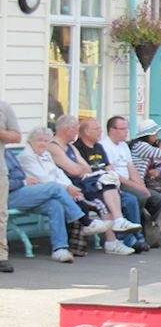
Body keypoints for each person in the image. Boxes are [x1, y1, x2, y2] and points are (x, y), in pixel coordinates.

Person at [18, 127, 116, 256]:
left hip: (49, 193)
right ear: (30, 142)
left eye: (46, 141)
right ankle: (86, 221)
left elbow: (57, 172)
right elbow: (44, 178)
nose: (43, 143)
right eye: (39, 140)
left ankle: (60, 248)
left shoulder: (45, 154)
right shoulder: (26, 155)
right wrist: (67, 188)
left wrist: (69, 186)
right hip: (29, 193)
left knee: (55, 205)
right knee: (56, 187)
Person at [74, 117, 148, 254]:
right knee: (107, 201)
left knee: (130, 199)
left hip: (106, 187)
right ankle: (120, 239)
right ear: (85, 132)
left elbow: (109, 169)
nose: (100, 131)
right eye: (96, 129)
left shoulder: (98, 147)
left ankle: (132, 237)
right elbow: (83, 173)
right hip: (89, 189)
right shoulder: (77, 148)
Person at [129, 119, 161, 236]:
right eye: (154, 133)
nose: (156, 136)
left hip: (141, 181)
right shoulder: (141, 146)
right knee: (158, 199)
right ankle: (147, 225)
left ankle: (152, 226)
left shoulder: (142, 145)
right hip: (136, 182)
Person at [0, 99, 20, 272]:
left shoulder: (4, 107)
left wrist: (1, 133)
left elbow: (16, 135)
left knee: (1, 214)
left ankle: (1, 256)